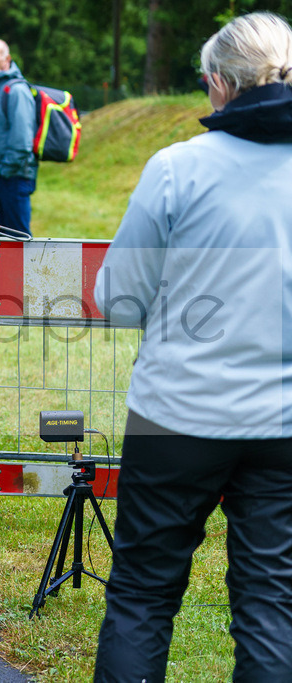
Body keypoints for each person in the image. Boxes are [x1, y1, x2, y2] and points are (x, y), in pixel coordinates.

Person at [92, 12, 292, 681]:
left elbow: (117, 299)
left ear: (216, 85)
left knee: (144, 594)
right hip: (282, 426)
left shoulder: (178, 168)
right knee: (271, 603)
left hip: (174, 416)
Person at [0, 38, 37, 236]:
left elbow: (22, 142)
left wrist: (2, 172)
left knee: (18, 242)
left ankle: (27, 270)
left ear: (7, 59)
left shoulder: (16, 91)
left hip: (13, 178)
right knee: (3, 243)